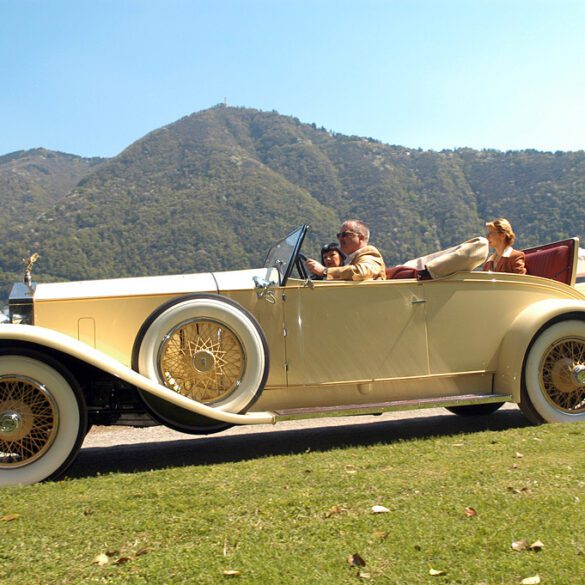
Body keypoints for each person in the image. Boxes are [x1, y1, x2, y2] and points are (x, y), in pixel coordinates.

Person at [307, 220, 386, 281]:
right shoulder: (351, 260)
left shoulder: (369, 253)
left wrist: (324, 271)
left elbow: (361, 272)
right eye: (339, 235)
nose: (340, 238)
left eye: (345, 235)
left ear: (361, 238)